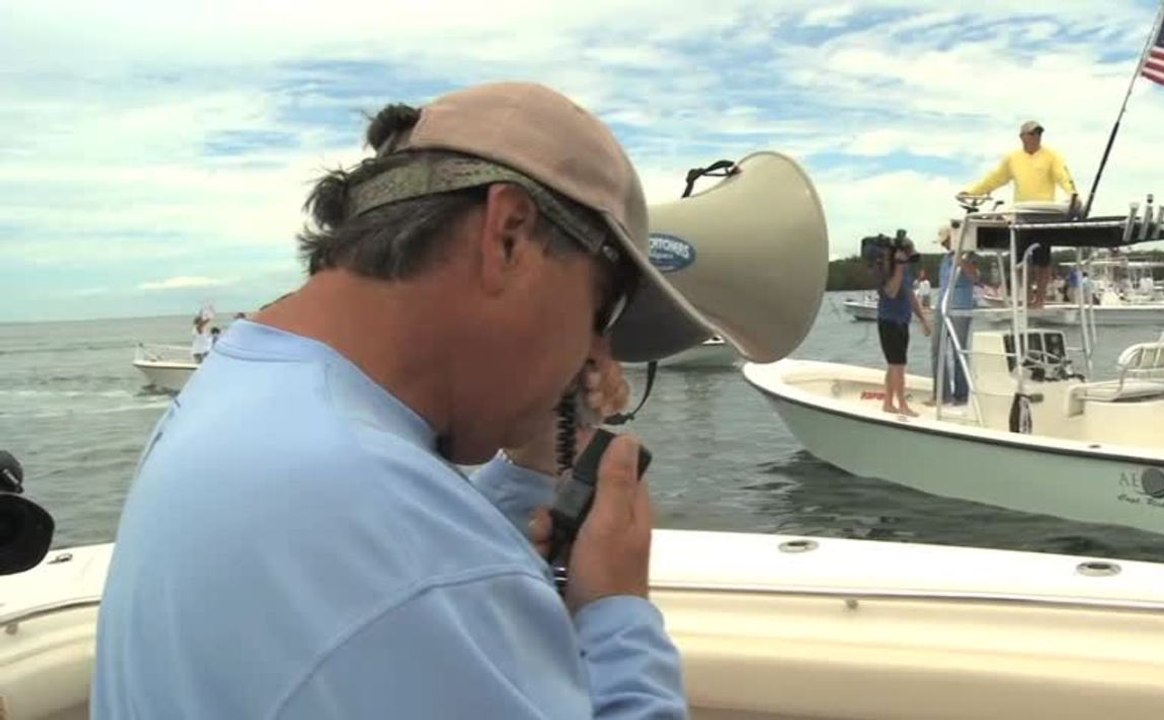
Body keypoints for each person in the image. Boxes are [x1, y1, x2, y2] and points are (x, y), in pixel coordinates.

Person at [92, 82, 709, 719]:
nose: (599, 357)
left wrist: (531, 466)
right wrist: (616, 610)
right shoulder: (371, 520)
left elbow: (401, 574)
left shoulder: (251, 385)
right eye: (600, 311)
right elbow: (411, 572)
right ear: (509, 236)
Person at [957, 120, 1079, 309]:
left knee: (1042, 257)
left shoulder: (1052, 156)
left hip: (1045, 214)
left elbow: (1063, 176)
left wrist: (1073, 194)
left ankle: (1039, 299)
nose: (1036, 137)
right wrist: (972, 192)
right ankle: (1027, 296)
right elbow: (994, 178)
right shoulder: (1013, 159)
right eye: (1031, 134)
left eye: (1038, 134)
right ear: (1022, 137)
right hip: (1021, 213)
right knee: (1020, 259)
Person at [875, 237, 930, 416]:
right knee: (897, 364)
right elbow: (890, 292)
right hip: (889, 321)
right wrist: (898, 267)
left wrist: (923, 319)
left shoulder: (906, 271)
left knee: (895, 365)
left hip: (902, 321)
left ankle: (888, 403)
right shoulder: (887, 270)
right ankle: (902, 405)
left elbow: (911, 296)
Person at [928, 221, 978, 406]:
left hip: (959, 307)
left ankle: (961, 394)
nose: (943, 244)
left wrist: (962, 262)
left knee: (959, 350)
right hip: (942, 306)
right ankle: (941, 394)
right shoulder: (944, 259)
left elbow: (975, 277)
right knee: (936, 349)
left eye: (945, 240)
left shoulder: (969, 255)